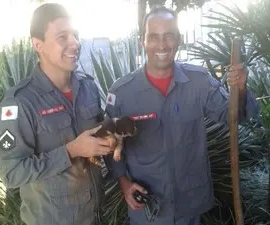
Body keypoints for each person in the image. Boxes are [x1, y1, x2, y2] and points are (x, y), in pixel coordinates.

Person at [105, 5, 259, 225]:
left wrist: (241, 89)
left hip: (190, 205)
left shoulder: (199, 82)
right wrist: (123, 183)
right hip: (148, 208)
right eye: (154, 37)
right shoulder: (122, 93)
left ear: (179, 39)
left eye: (169, 36)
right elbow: (110, 146)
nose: (161, 44)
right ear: (143, 41)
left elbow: (232, 116)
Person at [0, 3, 112, 225]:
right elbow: (11, 173)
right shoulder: (20, 102)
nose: (74, 43)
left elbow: (99, 137)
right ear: (38, 44)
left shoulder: (87, 88)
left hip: (95, 217)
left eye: (75, 35)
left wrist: (112, 138)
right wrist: (71, 151)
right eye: (62, 37)